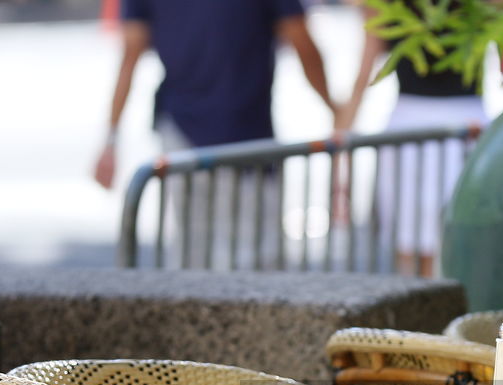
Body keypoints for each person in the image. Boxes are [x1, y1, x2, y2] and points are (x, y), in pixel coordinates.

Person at [95, 0, 340, 268]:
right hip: (240, 134)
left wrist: (111, 138)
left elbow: (131, 52)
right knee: (254, 258)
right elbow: (301, 40)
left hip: (195, 131)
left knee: (196, 253)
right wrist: (335, 107)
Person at [336, 3, 488, 276]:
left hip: (428, 127)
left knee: (419, 245)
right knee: (451, 241)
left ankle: (429, 315)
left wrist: (339, 167)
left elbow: (363, 75)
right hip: (459, 124)